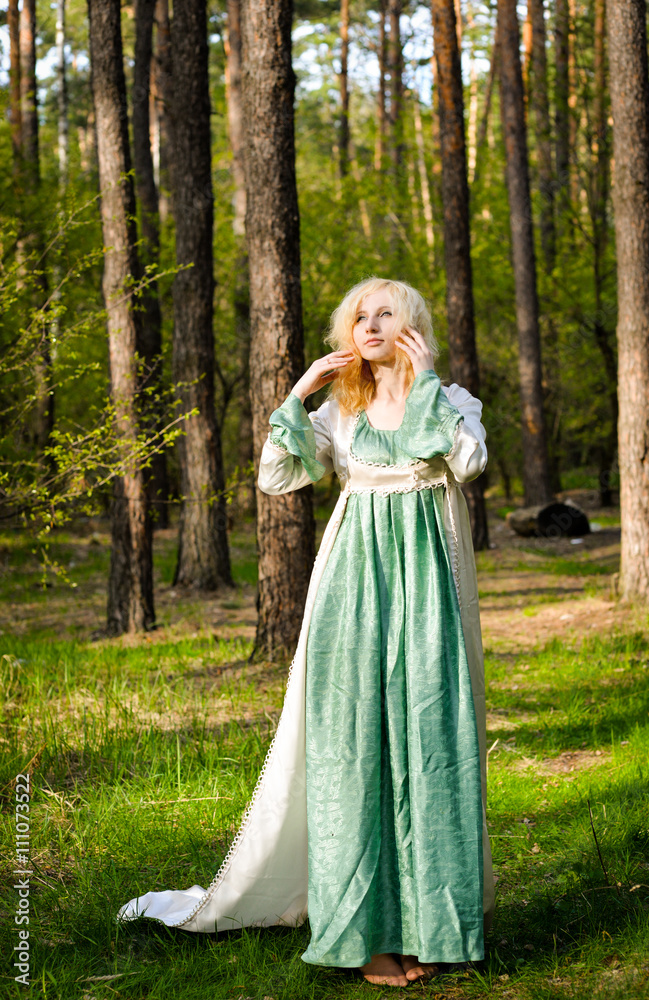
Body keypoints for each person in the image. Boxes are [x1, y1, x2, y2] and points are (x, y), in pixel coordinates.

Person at [117, 277, 493, 988]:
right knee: (354, 747)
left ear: (413, 325)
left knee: (430, 738)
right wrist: (295, 395)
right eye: (359, 315)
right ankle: (366, 938)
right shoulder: (339, 409)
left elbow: (469, 463)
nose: (371, 323)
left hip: (430, 590)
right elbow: (278, 476)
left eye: (387, 312)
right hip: (353, 586)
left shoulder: (449, 401)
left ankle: (437, 928)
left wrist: (428, 391)